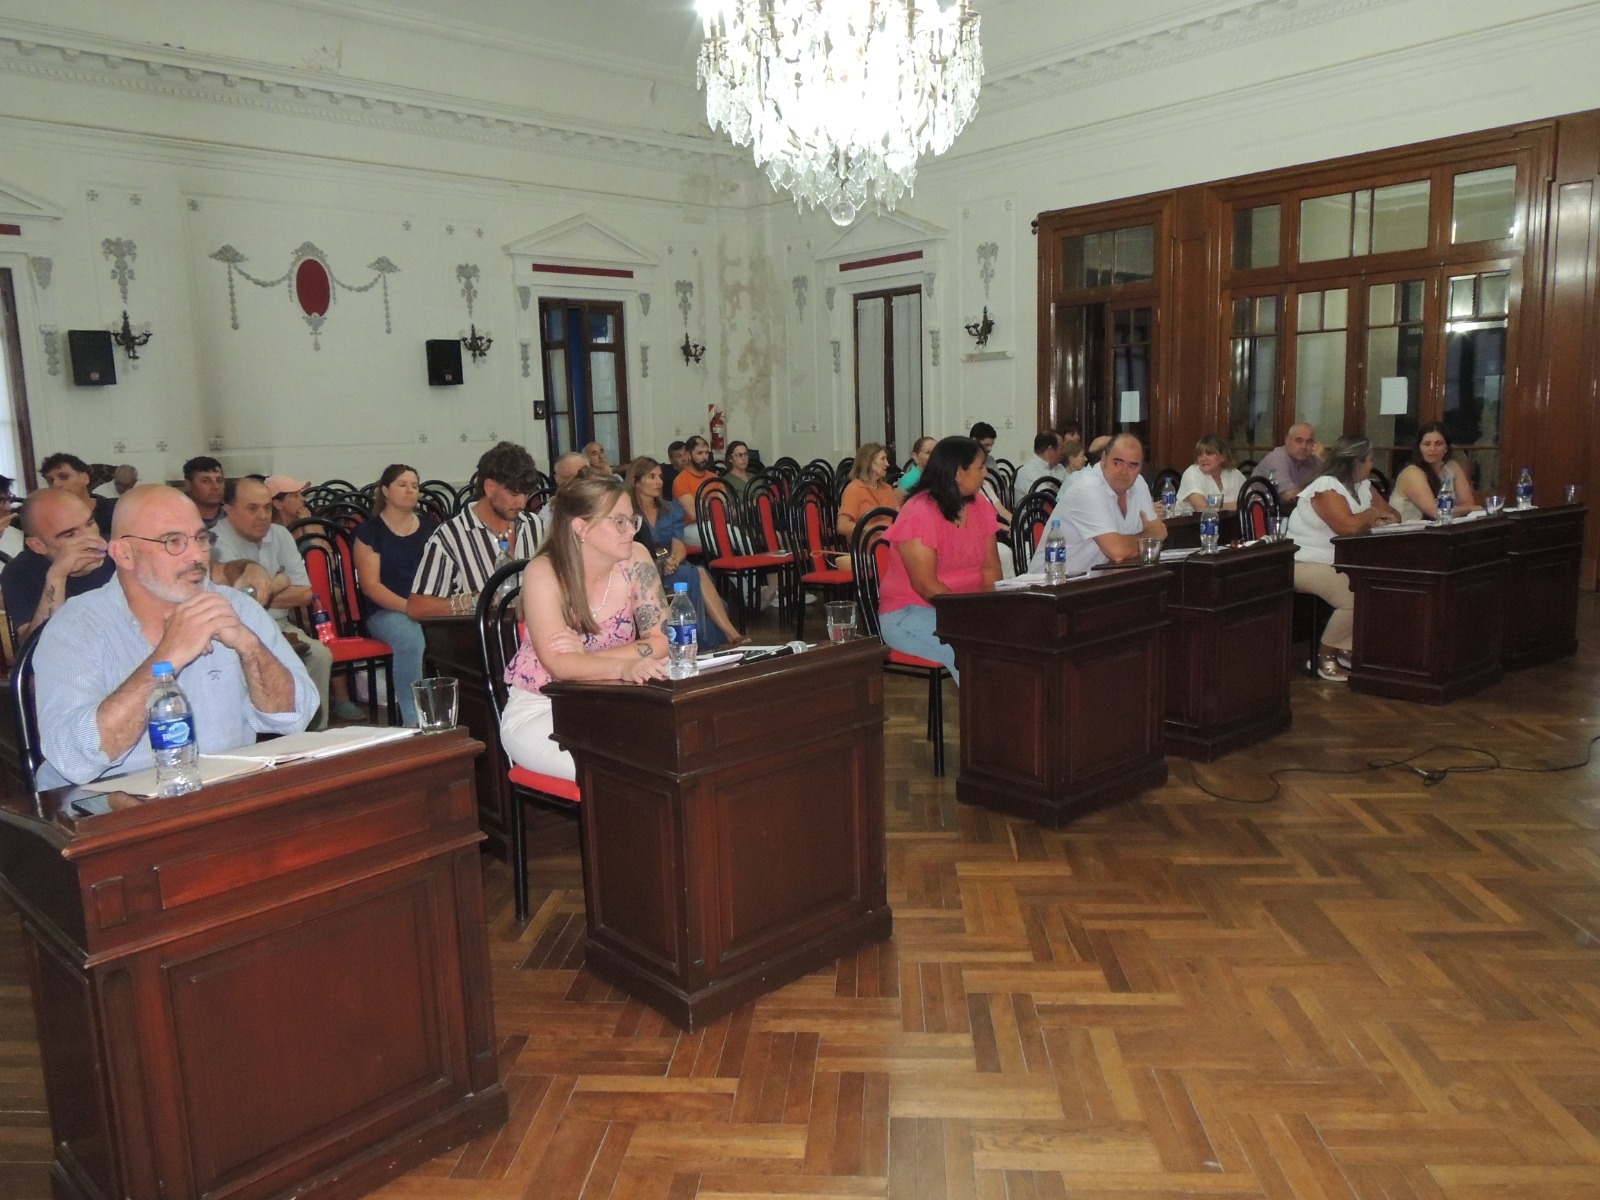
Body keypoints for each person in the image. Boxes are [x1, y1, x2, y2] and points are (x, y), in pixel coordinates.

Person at [32, 484, 317, 790]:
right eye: (173, 541)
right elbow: (71, 759)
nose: (197, 556)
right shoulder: (75, 627)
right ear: (124, 554)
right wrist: (167, 657)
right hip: (107, 806)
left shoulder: (235, 608)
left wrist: (251, 648)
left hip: (219, 796)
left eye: (201, 538)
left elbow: (295, 717)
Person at [500, 474, 670, 781]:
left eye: (633, 520)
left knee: (672, 752)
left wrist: (586, 659)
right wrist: (623, 666)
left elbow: (661, 640)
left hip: (610, 701)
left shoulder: (637, 558)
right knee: (620, 767)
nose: (631, 530)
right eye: (619, 521)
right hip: (543, 709)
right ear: (581, 527)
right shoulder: (544, 572)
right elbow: (559, 666)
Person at [212, 476, 340, 727]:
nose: (262, 516)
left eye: (267, 508)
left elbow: (305, 593)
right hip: (237, 631)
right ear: (228, 509)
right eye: (252, 508)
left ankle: (315, 732)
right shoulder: (215, 542)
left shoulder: (280, 534)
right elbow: (240, 602)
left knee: (320, 655)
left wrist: (262, 590)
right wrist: (280, 581)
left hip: (281, 626)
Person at [876, 436, 1002, 683]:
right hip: (910, 612)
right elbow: (926, 586)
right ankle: (987, 707)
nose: (986, 473)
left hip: (964, 610)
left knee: (1015, 638)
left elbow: (991, 568)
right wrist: (971, 617)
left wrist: (989, 611)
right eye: (980, 467)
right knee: (968, 649)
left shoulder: (980, 506)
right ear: (958, 473)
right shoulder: (919, 512)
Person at [1285, 433, 1401, 681]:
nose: (1372, 465)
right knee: (1355, 593)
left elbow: (1395, 516)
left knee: (1379, 585)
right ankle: (1323, 655)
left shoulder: (1364, 486)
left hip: (1341, 562)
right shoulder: (1325, 486)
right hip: (1305, 561)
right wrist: (1371, 515)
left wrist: (1375, 517)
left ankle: (1345, 647)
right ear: (1356, 462)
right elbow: (1347, 527)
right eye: (1369, 459)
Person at [408, 441, 542, 618]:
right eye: (514, 494)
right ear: (490, 487)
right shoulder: (450, 536)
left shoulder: (534, 525)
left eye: (526, 494)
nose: (522, 503)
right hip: (480, 632)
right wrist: (471, 601)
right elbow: (417, 607)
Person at [625, 457, 744, 649]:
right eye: (652, 477)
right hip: (642, 571)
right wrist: (657, 565)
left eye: (660, 477)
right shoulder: (627, 512)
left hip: (672, 567)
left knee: (695, 572)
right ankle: (731, 634)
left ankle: (728, 634)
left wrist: (674, 560)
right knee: (697, 573)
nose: (659, 482)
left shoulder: (671, 509)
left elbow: (679, 545)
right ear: (635, 481)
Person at [352, 464, 431, 726]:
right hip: (385, 611)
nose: (410, 490)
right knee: (410, 637)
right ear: (385, 490)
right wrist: (410, 608)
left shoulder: (430, 528)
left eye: (415, 486)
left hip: (427, 605)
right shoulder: (369, 532)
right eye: (402, 485)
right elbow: (371, 587)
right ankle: (413, 720)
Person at [1038, 432, 1167, 573]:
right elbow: (1118, 551)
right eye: (1117, 462)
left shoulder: (1138, 483)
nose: (1124, 472)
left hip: (1101, 578)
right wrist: (1150, 537)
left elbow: (1157, 531)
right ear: (1104, 459)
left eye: (1133, 466)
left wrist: (1150, 535)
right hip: (1053, 581)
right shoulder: (1088, 488)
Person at [0, 489, 114, 639]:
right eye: (70, 534)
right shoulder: (21, 571)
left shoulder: (121, 551)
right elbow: (34, 648)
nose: (89, 537)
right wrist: (57, 577)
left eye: (90, 523)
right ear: (38, 545)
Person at [1393, 421, 1480, 521]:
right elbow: (1435, 512)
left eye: (1438, 444)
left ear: (1446, 447)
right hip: (1410, 528)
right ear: (1419, 448)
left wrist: (1468, 508)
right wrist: (1469, 509)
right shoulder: (1411, 473)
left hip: (1444, 526)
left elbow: (1468, 502)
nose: (1432, 449)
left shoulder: (1452, 467)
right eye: (1427, 444)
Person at [40, 452, 116, 537]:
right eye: (50, 480)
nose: (56, 484)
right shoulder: (49, 521)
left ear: (85, 478)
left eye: (64, 477)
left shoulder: (115, 510)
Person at [837, 442, 901, 541]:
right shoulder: (854, 489)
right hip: (868, 544)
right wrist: (871, 529)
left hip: (890, 541)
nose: (887, 464)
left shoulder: (887, 489)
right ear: (870, 463)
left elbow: (898, 516)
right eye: (883, 459)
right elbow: (842, 526)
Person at [1175, 435, 1247, 515]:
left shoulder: (1234, 473)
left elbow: (1253, 500)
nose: (1203, 458)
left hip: (1228, 521)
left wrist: (1219, 506)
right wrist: (1238, 505)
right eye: (1200, 454)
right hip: (1192, 522)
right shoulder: (1192, 474)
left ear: (1223, 456)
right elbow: (1202, 508)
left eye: (1209, 454)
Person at [1251, 423, 1322, 500]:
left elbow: (1327, 486)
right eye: (1298, 441)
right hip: (1258, 505)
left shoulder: (1312, 459)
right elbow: (1288, 496)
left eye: (1309, 442)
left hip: (1291, 505)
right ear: (1287, 441)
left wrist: (1323, 459)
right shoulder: (1277, 458)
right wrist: (1316, 493)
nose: (1304, 447)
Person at [670, 435, 717, 547]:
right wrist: (713, 507)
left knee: (741, 537)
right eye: (700, 453)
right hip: (688, 528)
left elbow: (726, 509)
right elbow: (694, 515)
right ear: (689, 455)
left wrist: (703, 505)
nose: (704, 457)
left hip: (715, 524)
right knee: (717, 537)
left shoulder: (714, 477)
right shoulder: (681, 480)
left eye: (706, 453)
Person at [1012, 431, 1067, 499]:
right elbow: (1046, 500)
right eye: (1061, 448)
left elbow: (1072, 489)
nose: (1063, 452)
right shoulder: (1028, 472)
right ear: (1050, 450)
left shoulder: (1060, 468)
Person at [183, 455, 227, 529]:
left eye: (219, 481)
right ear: (188, 485)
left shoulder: (233, 518)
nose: (215, 487)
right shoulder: (176, 518)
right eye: (206, 481)